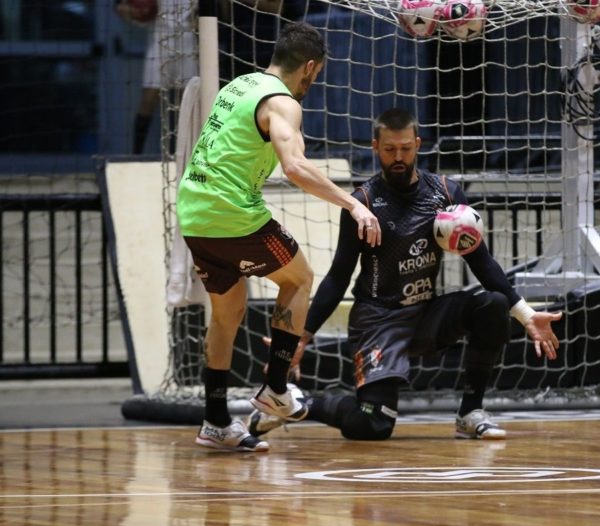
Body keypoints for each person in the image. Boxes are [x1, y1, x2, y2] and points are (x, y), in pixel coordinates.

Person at [247, 108, 562, 441]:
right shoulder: (362, 204)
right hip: (378, 321)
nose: (398, 157)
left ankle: (470, 411)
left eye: (405, 149)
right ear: (374, 147)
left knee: (493, 304)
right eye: (389, 150)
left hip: (426, 313)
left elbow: (481, 262)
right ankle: (299, 403)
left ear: (417, 144)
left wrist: (525, 315)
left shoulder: (446, 194)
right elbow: (338, 277)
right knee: (372, 426)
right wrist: (304, 336)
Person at [177, 22, 381, 452]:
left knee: (228, 310)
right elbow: (294, 167)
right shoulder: (283, 104)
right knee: (300, 279)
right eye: (317, 74)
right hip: (232, 216)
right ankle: (275, 388)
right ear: (309, 67)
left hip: (194, 216)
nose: (314, 83)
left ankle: (215, 421)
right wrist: (354, 204)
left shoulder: (241, 84)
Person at [116, 0, 198, 154]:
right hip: (160, 34)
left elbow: (220, 10)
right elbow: (121, 7)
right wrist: (130, 11)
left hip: (188, 37)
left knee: (186, 101)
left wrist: (200, 20)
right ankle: (136, 154)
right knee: (149, 99)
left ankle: (182, 154)